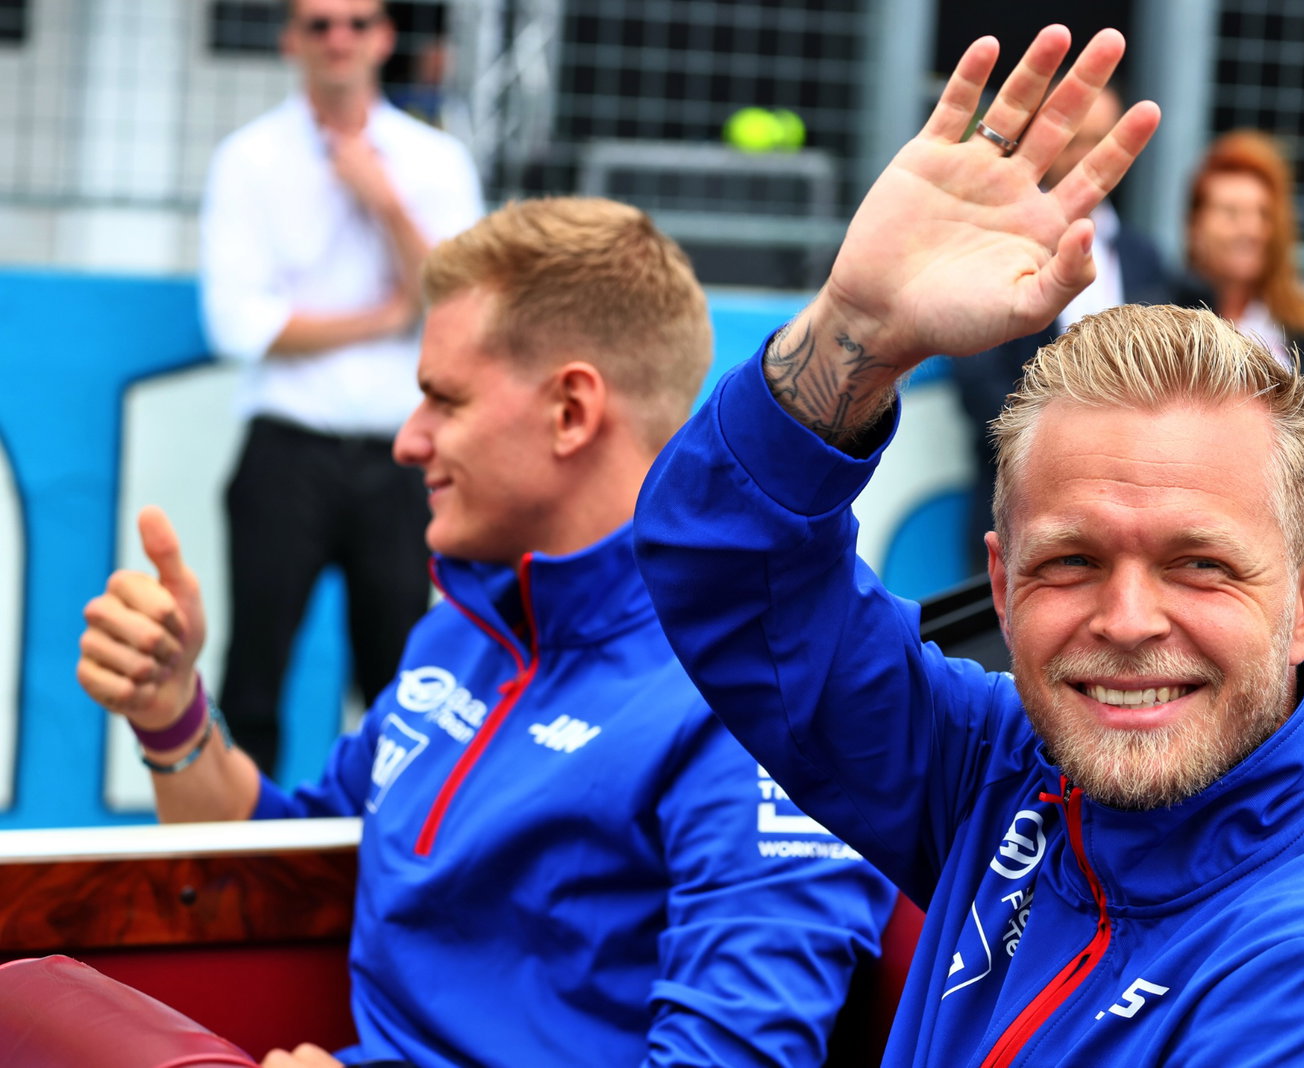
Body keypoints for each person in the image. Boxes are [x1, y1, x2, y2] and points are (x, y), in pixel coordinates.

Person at [634, 24, 1304, 1067]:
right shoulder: (1000, 770)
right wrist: (856, 327)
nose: (1126, 622)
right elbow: (726, 573)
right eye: (1069, 563)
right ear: (997, 579)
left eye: (1199, 565)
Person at [79, 197, 895, 1068]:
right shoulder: (464, 633)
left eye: (442, 399)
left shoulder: (755, 699)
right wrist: (171, 711)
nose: (406, 440)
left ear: (571, 412)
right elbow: (273, 877)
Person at [199, 0, 484, 776]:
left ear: (384, 38)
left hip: (400, 458)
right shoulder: (248, 159)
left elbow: (463, 304)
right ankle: (239, 872)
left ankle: (389, 866)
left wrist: (383, 199)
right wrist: (385, 316)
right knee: (253, 675)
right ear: (292, 39)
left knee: (401, 682)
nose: (339, 39)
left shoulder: (433, 163)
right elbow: (237, 325)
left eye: (357, 23)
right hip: (285, 448)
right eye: (319, 24)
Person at [948, 80, 1194, 573]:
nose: (1089, 156)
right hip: (1022, 510)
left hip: (1137, 522)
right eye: (1078, 139)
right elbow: (980, 383)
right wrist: (1076, 450)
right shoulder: (999, 244)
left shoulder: (1143, 258)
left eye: (1102, 141)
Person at [1186, 129, 1304, 541]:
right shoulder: (1155, 314)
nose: (1248, 229)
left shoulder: (1303, 331)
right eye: (1230, 213)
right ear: (1195, 225)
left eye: (1262, 214)